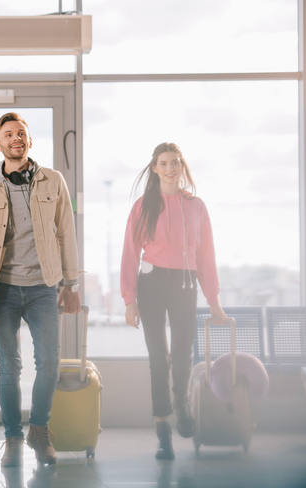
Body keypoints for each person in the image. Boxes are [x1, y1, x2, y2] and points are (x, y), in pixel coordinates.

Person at [0, 112, 80, 467]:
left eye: (21, 133)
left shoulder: (53, 180)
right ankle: (13, 437)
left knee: (48, 363)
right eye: (8, 134)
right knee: (8, 366)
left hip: (44, 286)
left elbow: (67, 232)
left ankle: (39, 429)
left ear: (29, 141)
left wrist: (71, 283)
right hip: (2, 288)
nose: (15, 138)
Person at [120, 142, 227, 460]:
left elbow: (206, 255)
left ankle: (181, 399)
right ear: (154, 168)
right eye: (163, 163)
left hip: (185, 283)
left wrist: (214, 299)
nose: (170, 167)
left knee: (182, 353)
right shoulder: (143, 205)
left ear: (182, 166)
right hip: (151, 283)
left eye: (175, 162)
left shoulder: (197, 206)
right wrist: (129, 299)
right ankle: (162, 428)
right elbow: (130, 253)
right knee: (158, 358)